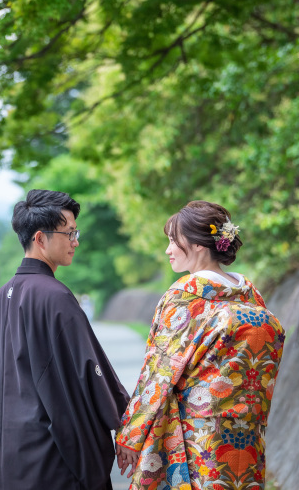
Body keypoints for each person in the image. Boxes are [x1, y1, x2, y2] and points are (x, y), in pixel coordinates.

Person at [115, 201, 284, 490]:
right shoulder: (249, 294)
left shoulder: (184, 296)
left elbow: (159, 371)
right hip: (245, 435)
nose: (168, 250)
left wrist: (131, 434)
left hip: (195, 440)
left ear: (196, 244)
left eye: (172, 241)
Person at [0, 189, 130, 490]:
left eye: (76, 232)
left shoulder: (4, 294)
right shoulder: (54, 296)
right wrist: (125, 422)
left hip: (9, 452)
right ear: (40, 239)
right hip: (51, 457)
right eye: (69, 233)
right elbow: (89, 371)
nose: (75, 242)